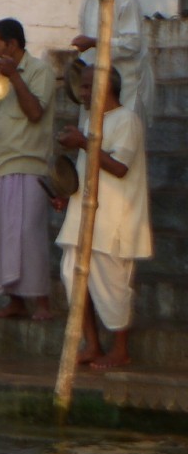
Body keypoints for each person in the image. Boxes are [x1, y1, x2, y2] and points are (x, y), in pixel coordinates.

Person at [55, 65, 151, 369]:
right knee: (72, 278)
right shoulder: (89, 119)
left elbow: (119, 168)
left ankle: (120, 350)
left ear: (105, 88)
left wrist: (84, 142)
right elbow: (88, 169)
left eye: (86, 87)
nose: (82, 93)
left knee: (113, 286)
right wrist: (65, 192)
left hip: (114, 219)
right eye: (82, 87)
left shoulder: (127, 120)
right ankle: (93, 345)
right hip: (82, 215)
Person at [0, 18, 56, 321]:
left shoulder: (40, 71)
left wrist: (15, 78)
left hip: (29, 164)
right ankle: (15, 301)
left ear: (13, 44)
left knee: (28, 237)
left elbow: (35, 112)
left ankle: (42, 303)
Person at [72, 0, 154, 125]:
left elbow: (132, 44)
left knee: (122, 137)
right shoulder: (88, 3)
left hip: (126, 86)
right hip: (95, 85)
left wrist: (94, 42)